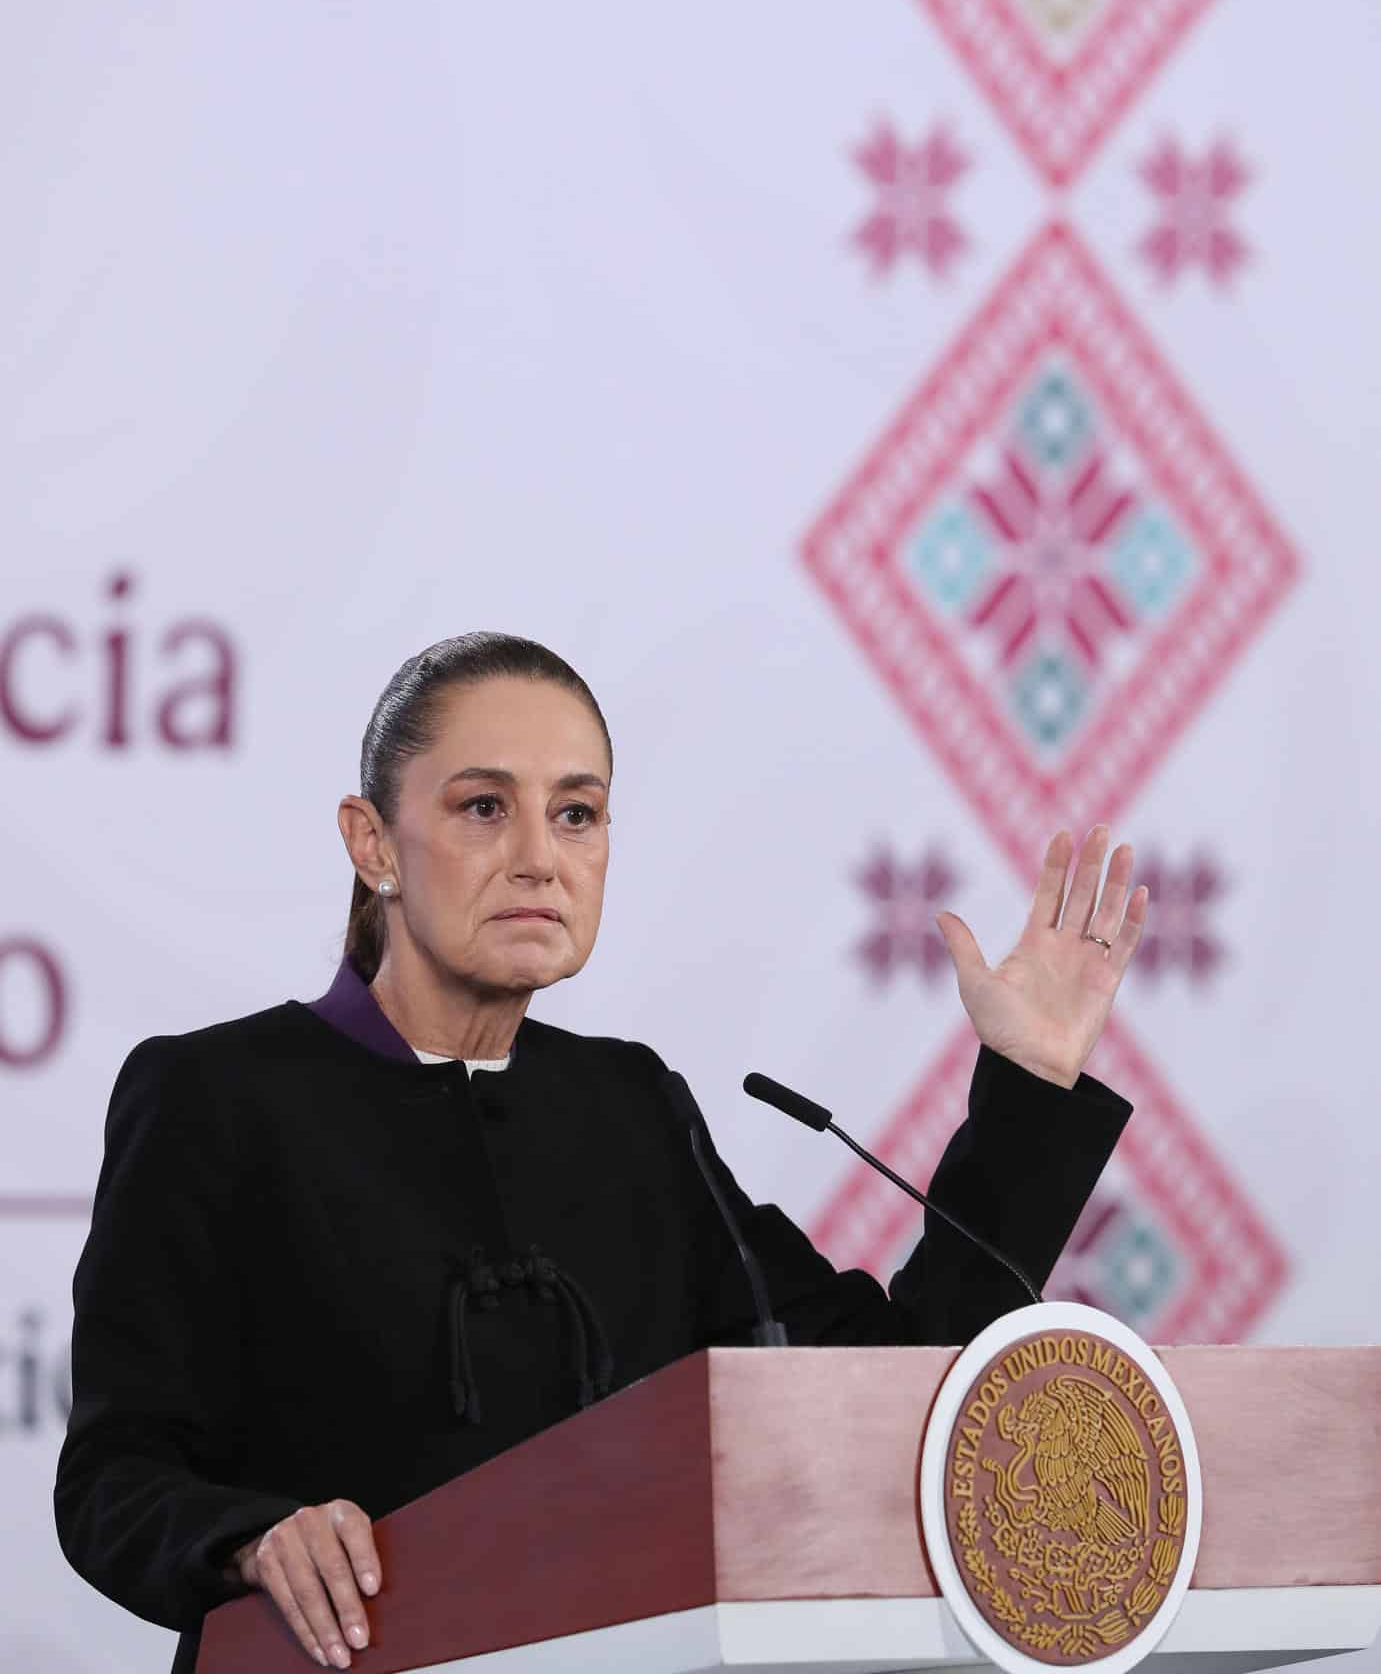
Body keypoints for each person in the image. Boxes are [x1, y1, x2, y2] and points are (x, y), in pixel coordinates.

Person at [54, 633, 1146, 1673]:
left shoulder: (630, 1107)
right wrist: (252, 1538)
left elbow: (893, 1385)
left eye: (576, 814)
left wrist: (1029, 1088)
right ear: (372, 841)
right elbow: (115, 1476)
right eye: (484, 808)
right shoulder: (219, 1096)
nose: (539, 857)